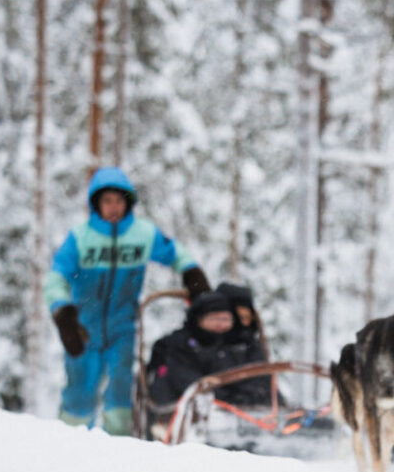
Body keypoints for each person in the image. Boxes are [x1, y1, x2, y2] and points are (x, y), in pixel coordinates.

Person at [45, 166, 210, 435]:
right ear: (96, 203)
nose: (113, 207)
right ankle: (68, 446)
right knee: (80, 391)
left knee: (120, 391)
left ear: (128, 202)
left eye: (119, 201)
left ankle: (118, 451)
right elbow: (56, 277)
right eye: (107, 201)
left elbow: (175, 253)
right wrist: (62, 313)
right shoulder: (80, 238)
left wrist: (193, 274)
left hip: (123, 328)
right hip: (83, 328)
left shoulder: (142, 234)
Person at [147, 289, 269, 409]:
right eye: (214, 319)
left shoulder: (240, 343)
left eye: (225, 319)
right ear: (199, 320)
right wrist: (225, 398)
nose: (220, 324)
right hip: (185, 409)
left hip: (241, 409)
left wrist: (248, 397)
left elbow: (258, 375)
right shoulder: (180, 344)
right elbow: (187, 380)